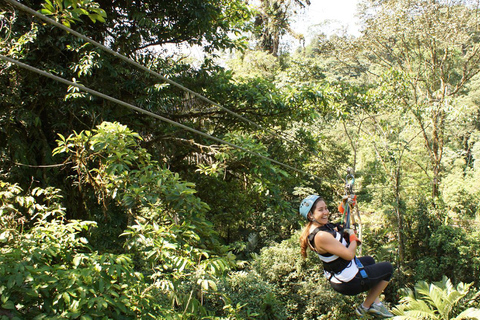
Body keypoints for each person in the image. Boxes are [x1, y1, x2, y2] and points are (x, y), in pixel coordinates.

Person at [299, 195, 394, 318]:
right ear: (310, 215)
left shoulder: (322, 226)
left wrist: (346, 209)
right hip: (348, 282)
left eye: (326, 208)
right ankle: (365, 307)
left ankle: (374, 302)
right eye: (321, 210)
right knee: (388, 269)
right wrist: (353, 238)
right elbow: (349, 254)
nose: (326, 212)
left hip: (341, 273)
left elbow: (344, 227)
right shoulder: (321, 236)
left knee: (370, 261)